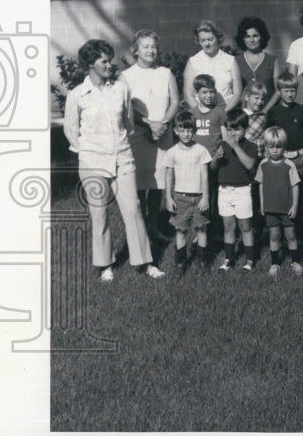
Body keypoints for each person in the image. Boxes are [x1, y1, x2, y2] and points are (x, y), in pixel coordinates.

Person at [64, 39, 164, 282]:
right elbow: (70, 131)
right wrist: (89, 152)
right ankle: (105, 264)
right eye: (104, 61)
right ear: (90, 64)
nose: (110, 65)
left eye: (110, 60)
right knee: (99, 214)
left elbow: (128, 123)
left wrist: (116, 146)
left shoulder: (121, 88)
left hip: (122, 157)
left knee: (133, 209)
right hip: (92, 161)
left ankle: (145, 262)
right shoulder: (77, 95)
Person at [119, 28, 180, 245]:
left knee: (157, 185)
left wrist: (163, 124)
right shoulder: (126, 76)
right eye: (145, 46)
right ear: (135, 50)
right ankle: (139, 230)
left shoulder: (166, 73)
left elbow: (175, 101)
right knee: (138, 186)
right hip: (138, 135)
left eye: (154, 46)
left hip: (162, 136)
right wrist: (148, 125)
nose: (151, 50)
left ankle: (153, 228)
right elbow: (124, 106)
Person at [163, 110, 212, 275]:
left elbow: (205, 175)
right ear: (176, 131)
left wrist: (205, 196)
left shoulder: (201, 150)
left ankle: (203, 262)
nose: (186, 134)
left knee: (201, 229)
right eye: (182, 130)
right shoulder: (172, 153)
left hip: (198, 197)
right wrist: (168, 198)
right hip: (180, 198)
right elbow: (168, 176)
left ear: (194, 131)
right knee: (181, 230)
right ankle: (180, 263)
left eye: (189, 130)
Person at [215, 108, 258, 271]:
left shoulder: (250, 146)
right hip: (224, 191)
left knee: (245, 226)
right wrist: (215, 158)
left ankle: (250, 260)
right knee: (228, 226)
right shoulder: (222, 145)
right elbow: (213, 168)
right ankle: (229, 259)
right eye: (230, 129)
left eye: (237, 129)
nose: (233, 133)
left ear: (245, 129)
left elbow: (250, 164)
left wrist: (235, 147)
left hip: (242, 190)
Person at [255, 126, 302, 276]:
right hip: (271, 208)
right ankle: (275, 263)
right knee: (274, 235)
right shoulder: (263, 164)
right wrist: (262, 204)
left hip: (286, 207)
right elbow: (261, 185)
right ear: (266, 147)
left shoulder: (289, 165)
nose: (275, 150)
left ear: (284, 147)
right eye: (271, 147)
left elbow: (295, 186)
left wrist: (294, 205)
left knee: (290, 234)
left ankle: (295, 261)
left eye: (279, 147)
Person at [189, 73, 227, 246]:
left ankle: (216, 230)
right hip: (196, 164)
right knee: (197, 198)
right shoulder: (192, 114)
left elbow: (225, 137)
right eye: (204, 92)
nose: (209, 96)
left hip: (215, 162)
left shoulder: (219, 112)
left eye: (211, 92)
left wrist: (221, 153)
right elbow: (187, 137)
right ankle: (200, 230)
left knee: (214, 197)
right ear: (196, 93)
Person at [184, 20, 241, 111]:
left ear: (218, 38)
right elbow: (188, 95)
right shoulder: (193, 62)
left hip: (226, 112)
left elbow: (237, 93)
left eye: (210, 40)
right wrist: (203, 114)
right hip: (201, 116)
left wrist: (223, 113)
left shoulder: (230, 61)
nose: (207, 44)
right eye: (203, 40)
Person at [234, 16, 281, 112]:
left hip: (269, 113)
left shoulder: (272, 61)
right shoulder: (235, 61)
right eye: (247, 36)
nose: (251, 40)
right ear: (242, 39)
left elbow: (279, 91)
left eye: (255, 36)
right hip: (243, 116)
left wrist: (265, 111)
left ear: (262, 37)